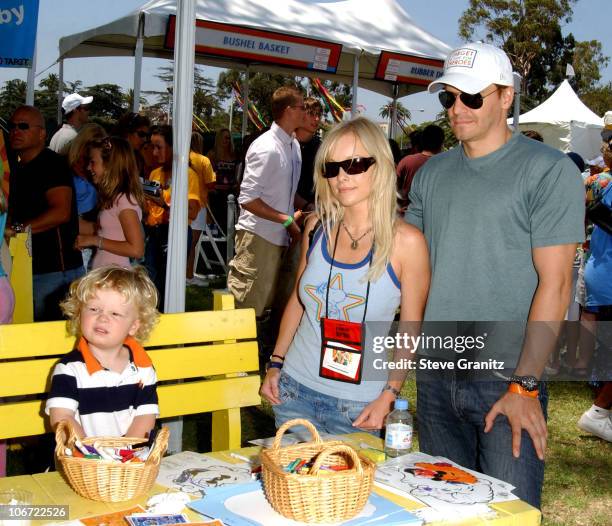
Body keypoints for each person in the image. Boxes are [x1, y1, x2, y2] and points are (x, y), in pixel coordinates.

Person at [405, 42, 584, 508]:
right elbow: (410, 269)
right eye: (449, 98)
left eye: (472, 97)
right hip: (438, 370)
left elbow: (557, 284)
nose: (457, 109)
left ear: (506, 97)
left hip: (505, 378)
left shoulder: (548, 171)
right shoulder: (430, 174)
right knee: (443, 511)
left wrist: (524, 384)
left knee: (509, 513)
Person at [260, 117, 430, 435]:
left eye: (354, 165)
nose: (341, 177)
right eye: (332, 167)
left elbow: (410, 328)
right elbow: (298, 300)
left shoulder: (407, 243)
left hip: (362, 405)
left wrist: (390, 394)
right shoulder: (316, 227)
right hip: (296, 390)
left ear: (379, 166)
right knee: (290, 485)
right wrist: (276, 363)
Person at [45, 265, 159, 438]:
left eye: (115, 313)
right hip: (82, 461)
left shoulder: (143, 368)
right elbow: (62, 417)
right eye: (94, 309)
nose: (103, 317)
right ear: (79, 312)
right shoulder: (70, 369)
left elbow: (144, 418)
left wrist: (125, 454)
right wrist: (90, 455)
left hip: (131, 460)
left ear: (134, 326)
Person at [227, 86, 305, 318]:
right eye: (302, 107)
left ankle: (263, 352)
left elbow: (283, 191)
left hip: (281, 236)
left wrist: (305, 208)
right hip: (258, 237)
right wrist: (286, 220)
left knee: (271, 305)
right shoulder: (266, 147)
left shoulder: (293, 146)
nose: (305, 112)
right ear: (289, 110)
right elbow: (248, 198)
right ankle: (239, 353)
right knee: (249, 307)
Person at [7, 105, 83, 321]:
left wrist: (18, 229)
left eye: (23, 126)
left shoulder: (52, 164)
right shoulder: (17, 168)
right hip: (27, 267)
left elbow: (61, 212)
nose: (15, 131)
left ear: (42, 134)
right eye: (12, 126)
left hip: (56, 273)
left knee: (53, 340)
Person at [144, 125, 201, 305]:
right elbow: (150, 209)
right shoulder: (154, 173)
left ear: (172, 147)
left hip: (175, 233)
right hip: (154, 233)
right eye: (152, 147)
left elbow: (192, 210)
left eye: (158, 147)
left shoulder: (187, 174)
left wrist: (165, 202)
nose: (154, 152)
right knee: (151, 284)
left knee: (168, 285)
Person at [75, 136, 146, 269]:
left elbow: (137, 249)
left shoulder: (124, 201)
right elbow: (107, 230)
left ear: (109, 165)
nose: (88, 167)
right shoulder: (114, 199)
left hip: (115, 278)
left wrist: (95, 240)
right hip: (106, 275)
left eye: (93, 162)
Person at [67, 123, 107, 270]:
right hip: (78, 250)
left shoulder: (98, 178)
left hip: (95, 248)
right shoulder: (68, 175)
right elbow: (69, 220)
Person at [187, 132, 216, 283]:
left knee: (185, 242)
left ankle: (187, 272)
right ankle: (189, 275)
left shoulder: (180, 158)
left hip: (181, 204)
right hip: (198, 204)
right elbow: (211, 183)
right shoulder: (203, 160)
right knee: (192, 243)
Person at [396, 124, 444, 209]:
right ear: (442, 143)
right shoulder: (446, 165)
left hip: (406, 213)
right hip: (433, 215)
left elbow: (394, 187)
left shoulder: (407, 161)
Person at [207, 128, 238, 233]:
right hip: (216, 195)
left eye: (229, 138)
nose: (227, 141)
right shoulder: (212, 154)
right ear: (219, 139)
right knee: (217, 223)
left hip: (231, 194)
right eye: (225, 138)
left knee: (229, 223)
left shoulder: (234, 155)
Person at [114, 112, 151, 178]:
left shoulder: (139, 158)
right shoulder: (110, 155)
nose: (144, 139)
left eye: (146, 136)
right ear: (127, 132)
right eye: (141, 134)